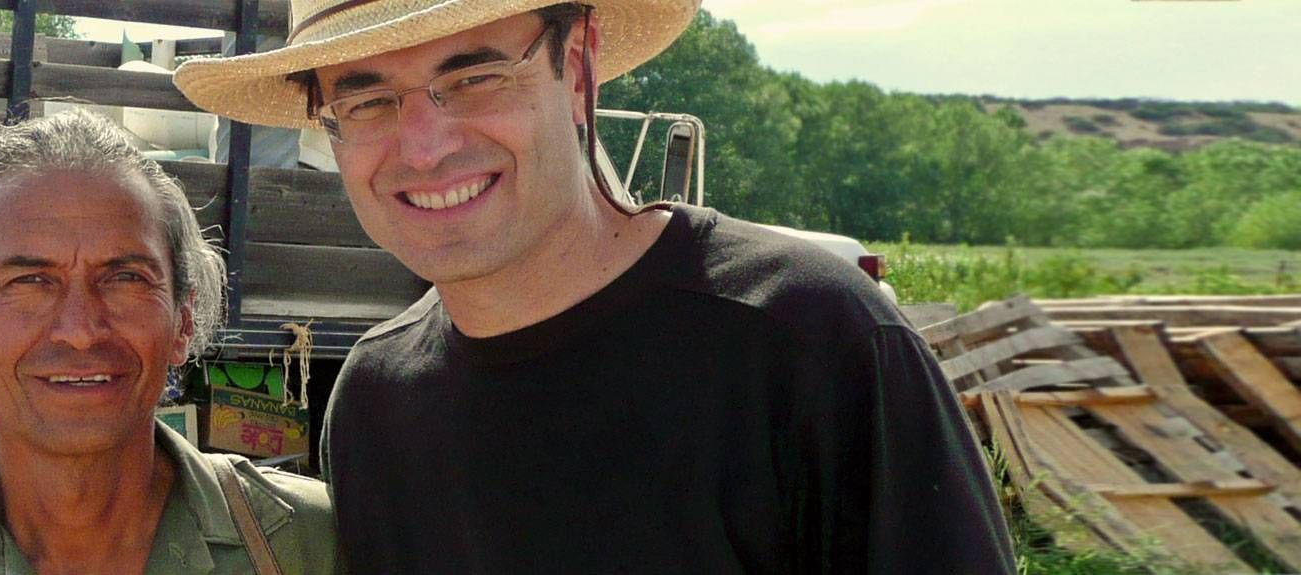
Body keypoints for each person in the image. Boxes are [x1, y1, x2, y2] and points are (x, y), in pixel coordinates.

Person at [172, 0, 1016, 572]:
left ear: (578, 67)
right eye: (368, 102)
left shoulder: (810, 342)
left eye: (474, 78)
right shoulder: (375, 405)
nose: (424, 146)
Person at [0, 110, 339, 575]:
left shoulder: (313, 546)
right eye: (30, 281)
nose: (81, 330)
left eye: (126, 278)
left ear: (183, 320)